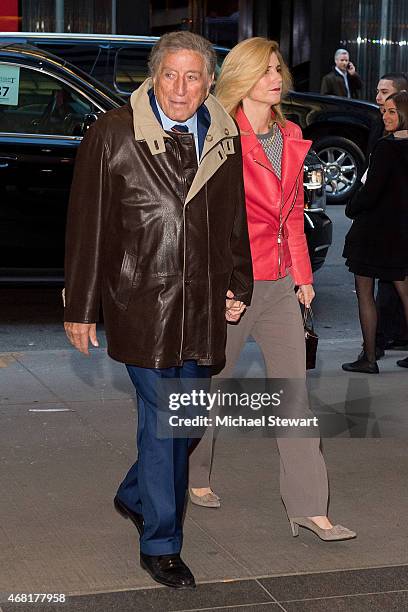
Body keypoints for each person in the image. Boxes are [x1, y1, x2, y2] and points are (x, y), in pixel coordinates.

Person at [63, 31, 253, 589]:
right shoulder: (112, 134)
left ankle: (133, 493)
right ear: (152, 75)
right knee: (167, 421)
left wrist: (238, 281)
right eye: (170, 74)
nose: (180, 87)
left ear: (210, 82)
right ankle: (162, 540)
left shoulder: (223, 136)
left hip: (201, 305)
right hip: (139, 301)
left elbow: (234, 221)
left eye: (193, 76)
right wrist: (81, 305)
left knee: (189, 420)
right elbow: (87, 227)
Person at [189, 37, 356, 542]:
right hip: (234, 284)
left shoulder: (290, 132)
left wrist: (304, 276)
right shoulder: (219, 135)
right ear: (242, 77)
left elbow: (291, 218)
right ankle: (191, 475)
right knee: (207, 390)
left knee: (294, 398)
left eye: (278, 67)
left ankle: (309, 507)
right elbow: (206, 220)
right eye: (264, 70)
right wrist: (217, 284)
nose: (276, 77)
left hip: (282, 282)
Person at [342, 91, 408, 373]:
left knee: (364, 293)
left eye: (392, 111)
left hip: (373, 233)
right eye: (384, 111)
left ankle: (369, 358)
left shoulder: (386, 148)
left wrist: (351, 207)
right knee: (405, 291)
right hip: (402, 232)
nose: (386, 116)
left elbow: (370, 193)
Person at [369, 73, 408, 354]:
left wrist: (355, 206)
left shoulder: (390, 143)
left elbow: (374, 185)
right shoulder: (384, 131)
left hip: (389, 224)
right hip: (393, 222)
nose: (379, 98)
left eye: (386, 93)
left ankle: (374, 346)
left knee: (384, 285)